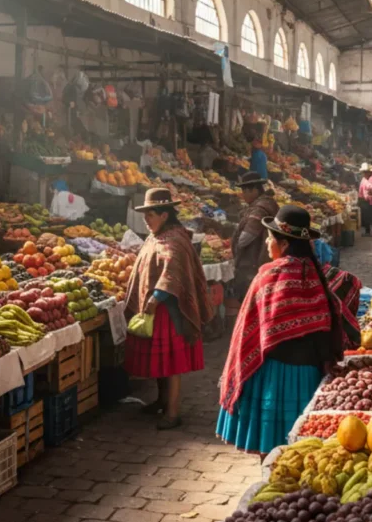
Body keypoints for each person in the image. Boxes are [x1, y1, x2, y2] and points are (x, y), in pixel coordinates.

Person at [216, 205, 344, 455]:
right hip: (308, 375)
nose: (266, 242)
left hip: (273, 375)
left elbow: (249, 328)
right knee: (303, 448)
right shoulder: (315, 274)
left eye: (270, 237)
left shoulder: (270, 275)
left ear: (284, 244)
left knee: (271, 446)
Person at [124, 188, 214, 430]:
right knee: (160, 361)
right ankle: (162, 401)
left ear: (164, 215)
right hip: (155, 309)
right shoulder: (156, 236)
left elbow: (173, 272)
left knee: (171, 362)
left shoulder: (175, 239)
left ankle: (173, 413)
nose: (146, 219)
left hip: (169, 310)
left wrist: (155, 297)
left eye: (150, 214)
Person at [231, 172, 278, 300]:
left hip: (254, 261)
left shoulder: (259, 208)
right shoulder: (268, 203)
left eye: (245, 191)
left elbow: (245, 238)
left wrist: (235, 241)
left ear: (255, 190)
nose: (243, 195)